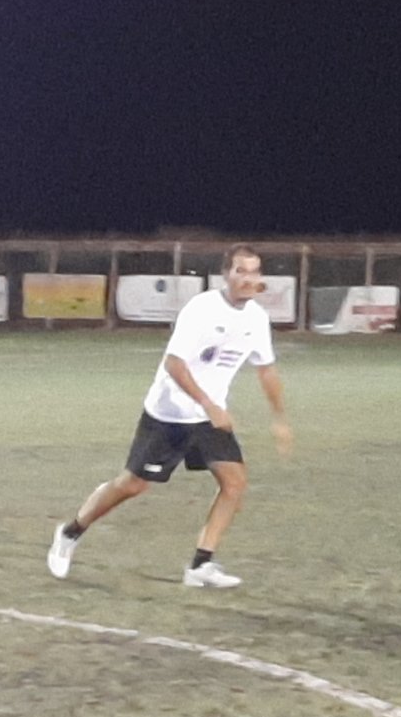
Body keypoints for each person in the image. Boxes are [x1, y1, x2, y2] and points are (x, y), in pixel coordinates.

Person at [47, 244, 293, 587]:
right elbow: (174, 363)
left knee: (234, 483)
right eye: (241, 271)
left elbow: (266, 369)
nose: (248, 279)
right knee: (132, 485)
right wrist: (208, 404)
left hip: (208, 418)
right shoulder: (202, 309)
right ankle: (71, 532)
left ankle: (200, 565)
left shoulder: (256, 318)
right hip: (170, 413)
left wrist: (279, 419)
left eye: (254, 272)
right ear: (226, 274)